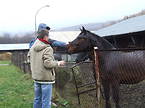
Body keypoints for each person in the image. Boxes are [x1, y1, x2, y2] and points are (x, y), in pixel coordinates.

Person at [27, 29, 65, 108]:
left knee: (37, 99)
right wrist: (58, 63)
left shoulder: (32, 47)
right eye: (48, 36)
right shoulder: (48, 48)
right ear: (45, 37)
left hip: (36, 77)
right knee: (46, 102)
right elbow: (48, 64)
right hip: (46, 79)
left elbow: (28, 59)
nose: (48, 38)